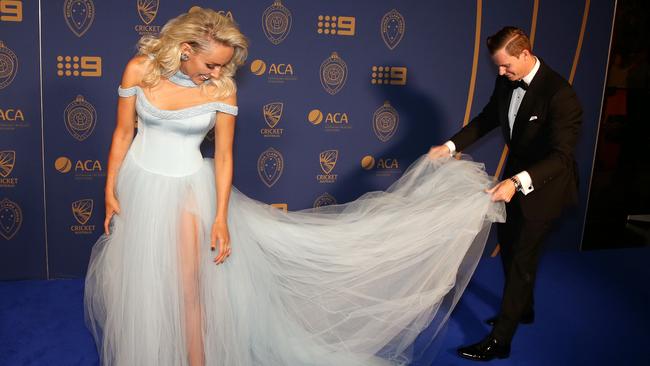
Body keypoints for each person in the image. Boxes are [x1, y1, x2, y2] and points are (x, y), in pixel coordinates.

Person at [84, 8, 506, 366]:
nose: (217, 73)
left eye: (223, 66)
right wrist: (110, 190)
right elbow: (123, 134)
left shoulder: (221, 88)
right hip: (140, 181)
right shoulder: (140, 69)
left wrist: (220, 217)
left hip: (190, 187)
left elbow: (225, 157)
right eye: (210, 65)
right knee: (143, 281)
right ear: (185, 49)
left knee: (192, 285)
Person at [428, 26, 582, 361]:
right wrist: (451, 146)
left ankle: (500, 340)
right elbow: (487, 120)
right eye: (498, 67)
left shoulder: (561, 95)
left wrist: (517, 182)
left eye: (505, 66)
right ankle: (523, 309)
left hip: (545, 185)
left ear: (525, 55)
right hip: (512, 178)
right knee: (509, 247)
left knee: (522, 259)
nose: (500, 72)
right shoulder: (507, 79)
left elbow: (561, 157)